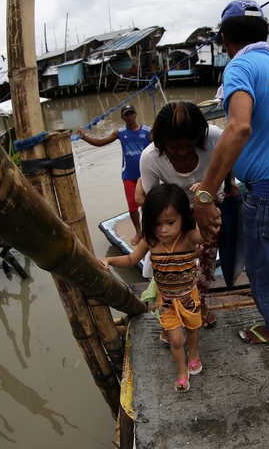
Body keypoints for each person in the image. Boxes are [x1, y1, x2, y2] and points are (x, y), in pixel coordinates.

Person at [193, 0, 269, 345]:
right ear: (263, 33)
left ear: (225, 38)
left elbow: (239, 128)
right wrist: (231, 180)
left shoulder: (240, 67)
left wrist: (205, 195)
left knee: (261, 271)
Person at [137, 101, 240, 329]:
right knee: (177, 260)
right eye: (176, 148)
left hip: (212, 202)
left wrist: (229, 180)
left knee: (206, 261)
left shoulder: (212, 136)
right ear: (162, 142)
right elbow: (151, 203)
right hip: (178, 211)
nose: (183, 151)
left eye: (189, 145)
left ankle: (199, 303)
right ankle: (173, 302)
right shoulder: (150, 158)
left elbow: (229, 155)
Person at [99, 184, 204, 392]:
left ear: (183, 218)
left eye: (170, 222)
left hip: (188, 297)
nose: (163, 229)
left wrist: (205, 200)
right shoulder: (151, 241)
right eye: (157, 223)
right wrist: (109, 259)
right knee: (176, 339)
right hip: (165, 301)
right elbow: (131, 259)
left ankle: (193, 353)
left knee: (192, 328)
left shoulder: (190, 238)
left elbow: (209, 233)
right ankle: (182, 371)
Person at [78, 104, 151, 245]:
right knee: (133, 206)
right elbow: (100, 143)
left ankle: (151, 228)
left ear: (135, 114)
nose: (129, 117)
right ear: (122, 117)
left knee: (150, 203)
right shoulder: (120, 133)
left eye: (131, 114)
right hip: (129, 175)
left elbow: (160, 145)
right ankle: (138, 231)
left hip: (146, 174)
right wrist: (84, 137)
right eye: (126, 115)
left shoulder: (148, 131)